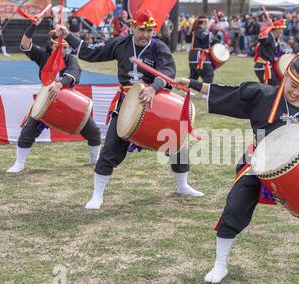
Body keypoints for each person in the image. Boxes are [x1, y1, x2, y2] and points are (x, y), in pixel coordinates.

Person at [175, 55, 299, 284]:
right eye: (294, 86)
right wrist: (194, 84)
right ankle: (220, 265)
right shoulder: (262, 95)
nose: (297, 92)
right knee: (236, 204)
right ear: (286, 77)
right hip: (260, 161)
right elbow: (227, 93)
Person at [57, 8, 204, 210]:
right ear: (132, 27)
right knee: (110, 148)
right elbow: (92, 52)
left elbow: (167, 71)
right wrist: (69, 36)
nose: (145, 35)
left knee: (176, 142)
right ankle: (97, 195)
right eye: (141, 30)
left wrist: (154, 88)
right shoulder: (120, 44)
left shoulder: (159, 47)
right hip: (127, 102)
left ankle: (182, 185)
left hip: (155, 101)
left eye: (149, 31)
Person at [7, 16, 101, 173]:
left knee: (93, 131)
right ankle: (19, 163)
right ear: (50, 46)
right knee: (27, 132)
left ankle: (94, 159)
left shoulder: (70, 59)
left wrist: (59, 84)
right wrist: (33, 26)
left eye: (65, 47)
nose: (62, 50)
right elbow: (24, 45)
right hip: (45, 102)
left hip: (67, 102)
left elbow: (74, 73)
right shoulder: (43, 56)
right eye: (59, 46)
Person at [253, 19, 286, 85]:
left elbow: (279, 53)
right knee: (274, 85)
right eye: (281, 29)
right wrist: (268, 28)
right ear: (277, 29)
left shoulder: (276, 39)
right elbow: (261, 38)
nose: (282, 32)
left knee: (277, 83)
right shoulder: (269, 37)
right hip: (263, 67)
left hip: (269, 66)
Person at [189, 16, 214, 88]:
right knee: (208, 73)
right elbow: (206, 37)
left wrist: (222, 42)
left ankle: (186, 90)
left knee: (194, 76)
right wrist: (215, 30)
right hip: (199, 56)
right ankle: (205, 92)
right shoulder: (199, 31)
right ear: (203, 22)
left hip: (194, 55)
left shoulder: (197, 31)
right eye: (207, 22)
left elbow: (209, 38)